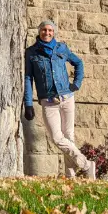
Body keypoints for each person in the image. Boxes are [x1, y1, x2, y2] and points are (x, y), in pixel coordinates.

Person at [23, 20, 96, 180]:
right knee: (57, 138)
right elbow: (28, 78)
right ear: (39, 31)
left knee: (69, 137)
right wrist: (28, 103)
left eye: (50, 30)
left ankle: (70, 176)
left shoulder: (62, 48)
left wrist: (76, 83)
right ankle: (86, 165)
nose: (47, 33)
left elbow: (78, 63)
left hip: (67, 98)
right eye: (44, 30)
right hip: (48, 102)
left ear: (53, 32)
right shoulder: (31, 52)